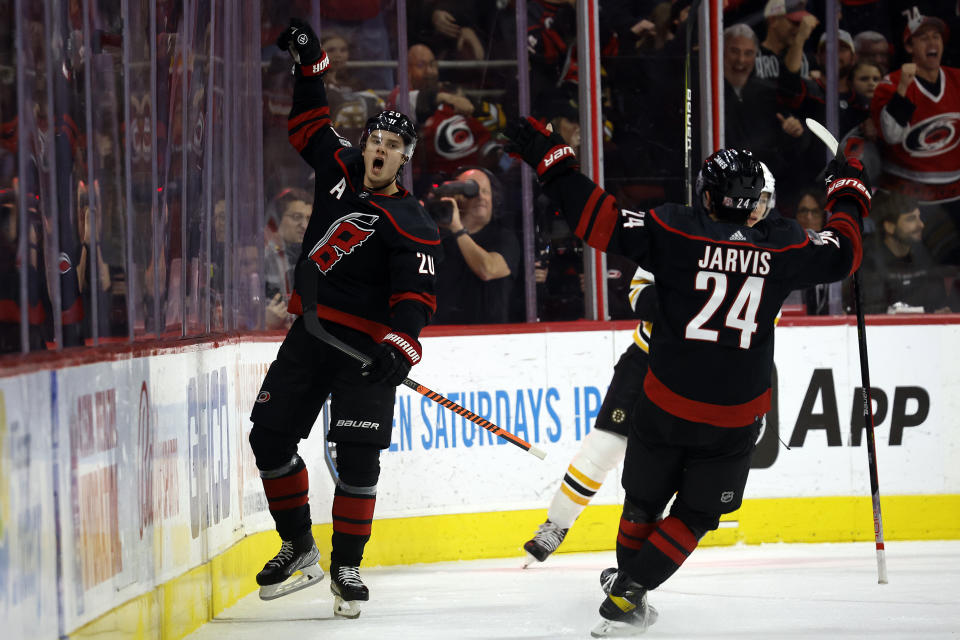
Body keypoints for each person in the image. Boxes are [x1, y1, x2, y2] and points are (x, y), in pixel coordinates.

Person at [504, 118, 867, 636]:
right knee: (694, 515)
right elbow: (845, 250)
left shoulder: (674, 229)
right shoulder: (785, 246)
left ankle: (628, 585)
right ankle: (630, 590)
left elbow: (595, 218)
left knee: (643, 502)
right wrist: (848, 189)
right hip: (733, 415)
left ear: (710, 198)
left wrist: (553, 161)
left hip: (666, 402)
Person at [248, 18, 440, 619]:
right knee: (268, 436)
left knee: (358, 461)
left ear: (405, 159)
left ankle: (348, 564)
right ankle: (299, 546)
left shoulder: (414, 223)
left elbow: (416, 304)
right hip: (309, 337)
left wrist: (399, 349)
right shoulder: (338, 167)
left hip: (364, 354)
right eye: (376, 139)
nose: (379, 150)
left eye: (392, 146)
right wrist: (310, 66)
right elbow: (307, 122)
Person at [522, 164, 778, 564]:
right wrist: (686, 302)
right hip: (648, 362)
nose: (755, 207)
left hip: (708, 382)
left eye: (762, 199)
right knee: (605, 447)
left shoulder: (771, 252)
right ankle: (557, 524)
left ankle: (637, 576)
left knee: (668, 482)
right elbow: (639, 295)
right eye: (752, 198)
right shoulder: (679, 234)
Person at [870, 11, 960, 262]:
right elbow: (891, 135)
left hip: (955, 192)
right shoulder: (891, 84)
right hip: (909, 198)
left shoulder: (957, 80)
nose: (932, 43)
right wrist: (903, 90)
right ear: (909, 46)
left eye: (936, 37)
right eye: (923, 38)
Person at [433, 166, 520, 324]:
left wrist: (458, 229)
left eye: (486, 191)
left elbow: (488, 269)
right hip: (443, 337)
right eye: (471, 190)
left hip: (491, 339)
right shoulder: (438, 240)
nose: (480, 196)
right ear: (456, 197)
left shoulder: (504, 237)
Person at [851, 189, 953, 314]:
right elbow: (872, 313)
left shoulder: (926, 255)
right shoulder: (869, 262)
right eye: (911, 219)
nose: (920, 224)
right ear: (889, 227)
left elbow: (940, 304)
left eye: (919, 217)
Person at [264, 188, 312, 330]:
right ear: (278, 220)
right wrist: (266, 321)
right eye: (297, 217)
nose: (304, 225)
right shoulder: (262, 259)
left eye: (309, 218)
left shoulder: (315, 259)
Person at [755, 0, 814, 81]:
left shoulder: (808, 59)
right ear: (773, 20)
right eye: (795, 22)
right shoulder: (750, 57)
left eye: (802, 22)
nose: (800, 28)